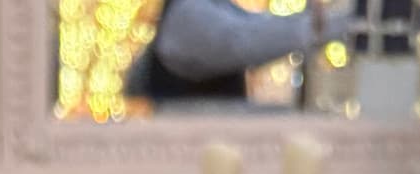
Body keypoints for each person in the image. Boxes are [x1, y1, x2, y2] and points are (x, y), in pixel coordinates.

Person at [126, 0, 328, 102]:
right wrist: (332, 26)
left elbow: (253, 27)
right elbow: (246, 41)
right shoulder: (187, 15)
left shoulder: (217, 6)